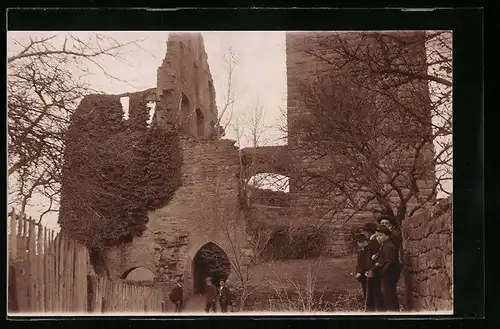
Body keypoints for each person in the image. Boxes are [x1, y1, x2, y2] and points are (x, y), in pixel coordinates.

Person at [366, 225, 400, 312]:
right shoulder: (384, 245)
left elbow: (390, 262)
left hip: (389, 275)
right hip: (386, 275)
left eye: (380, 235)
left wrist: (381, 273)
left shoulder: (389, 246)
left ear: (387, 236)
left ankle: (393, 313)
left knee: (390, 296)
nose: (378, 238)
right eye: (377, 236)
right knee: (387, 296)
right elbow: (382, 260)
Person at [361, 222, 385, 312]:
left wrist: (371, 270)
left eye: (365, 232)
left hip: (374, 272)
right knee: (373, 293)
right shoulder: (373, 241)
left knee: (374, 293)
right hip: (371, 271)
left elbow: (374, 258)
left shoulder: (373, 242)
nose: (364, 234)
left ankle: (377, 312)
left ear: (369, 232)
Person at [354, 233, 369, 301]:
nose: (360, 243)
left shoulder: (367, 251)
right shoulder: (361, 251)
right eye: (359, 242)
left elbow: (366, 263)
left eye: (362, 242)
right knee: (365, 289)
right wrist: (357, 271)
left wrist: (361, 272)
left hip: (366, 273)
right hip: (362, 274)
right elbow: (359, 263)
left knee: (368, 290)